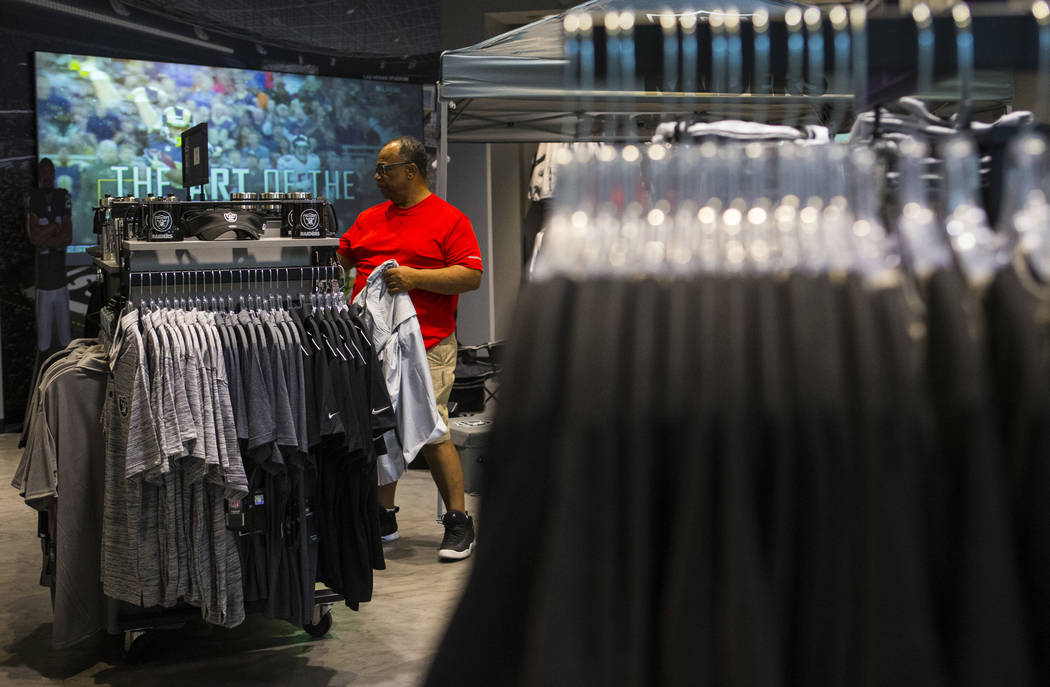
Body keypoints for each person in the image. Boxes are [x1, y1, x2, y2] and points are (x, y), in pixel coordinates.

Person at [336, 136, 483, 561]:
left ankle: (458, 522)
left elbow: (471, 276)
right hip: (371, 345)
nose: (378, 177)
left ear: (411, 171)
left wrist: (417, 278)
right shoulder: (368, 219)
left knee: (432, 431)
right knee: (380, 430)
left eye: (385, 169)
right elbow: (338, 261)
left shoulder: (449, 219)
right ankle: (384, 516)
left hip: (429, 346)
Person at [25, 157, 73, 358]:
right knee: (43, 340)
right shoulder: (32, 197)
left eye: (50, 172)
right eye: (44, 172)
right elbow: (34, 238)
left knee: (66, 339)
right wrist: (54, 227)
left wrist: (46, 233)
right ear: (39, 175)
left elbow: (68, 237)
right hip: (43, 280)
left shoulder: (63, 196)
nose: (48, 176)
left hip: (60, 276)